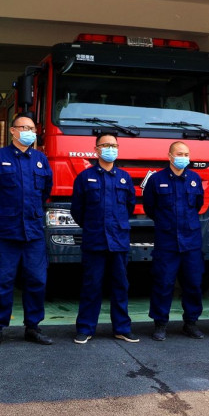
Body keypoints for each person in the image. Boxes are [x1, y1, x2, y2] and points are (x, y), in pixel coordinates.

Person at [0, 114, 53, 348]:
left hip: (33, 232)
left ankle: (33, 327)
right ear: (13, 131)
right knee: (2, 281)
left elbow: (45, 191)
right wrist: (5, 211)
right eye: (24, 127)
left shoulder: (41, 160)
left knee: (37, 281)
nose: (30, 132)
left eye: (32, 128)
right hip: (5, 231)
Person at [70, 133, 138, 344]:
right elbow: (77, 210)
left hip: (118, 240)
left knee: (120, 286)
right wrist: (93, 226)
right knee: (92, 286)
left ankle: (122, 328)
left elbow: (129, 206)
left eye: (114, 145)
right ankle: (85, 328)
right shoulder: (84, 177)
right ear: (96, 149)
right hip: (95, 240)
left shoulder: (124, 177)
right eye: (106, 145)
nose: (110, 148)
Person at [143, 141, 205, 341]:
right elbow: (150, 208)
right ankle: (160, 324)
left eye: (186, 154)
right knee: (163, 283)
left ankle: (191, 323)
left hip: (191, 242)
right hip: (167, 241)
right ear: (169, 155)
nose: (183, 157)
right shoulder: (156, 180)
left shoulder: (195, 179)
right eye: (179, 153)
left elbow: (198, 204)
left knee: (193, 284)